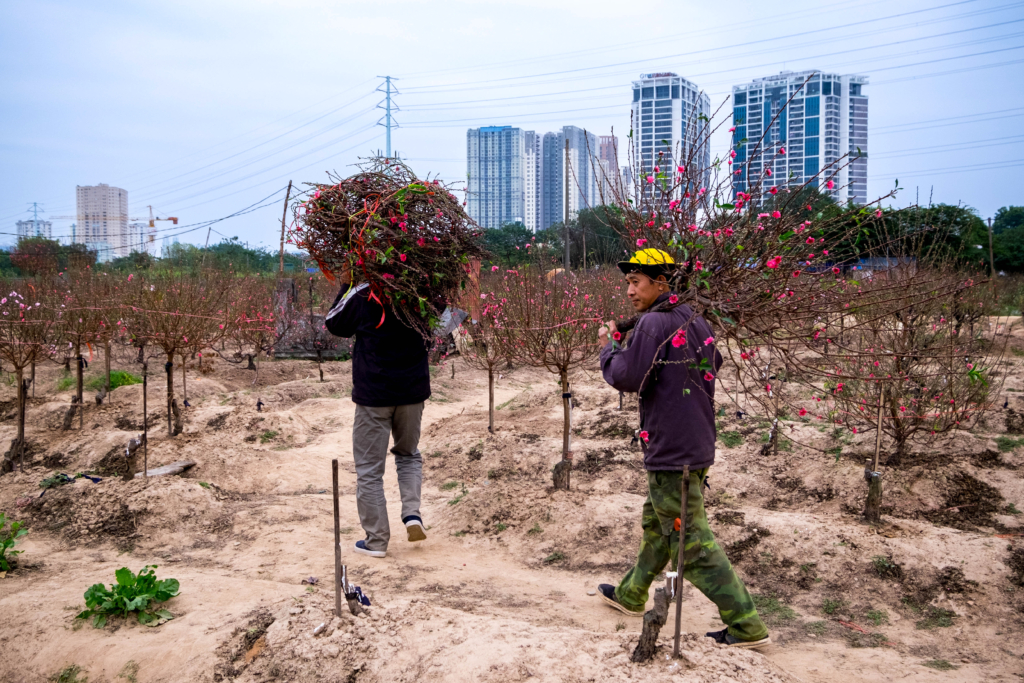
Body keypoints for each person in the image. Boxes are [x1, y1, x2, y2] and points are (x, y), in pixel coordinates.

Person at [595, 248, 770, 650]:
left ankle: (746, 624)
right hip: (695, 441)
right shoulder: (692, 318)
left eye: (635, 282)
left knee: (689, 541)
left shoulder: (655, 323)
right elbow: (716, 361)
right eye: (627, 282)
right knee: (658, 525)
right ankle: (631, 594)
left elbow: (628, 377)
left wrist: (608, 347)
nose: (629, 290)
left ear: (661, 283)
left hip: (672, 449)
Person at [325, 268, 429, 558]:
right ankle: (412, 515)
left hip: (375, 396)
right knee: (408, 455)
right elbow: (444, 326)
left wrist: (346, 284)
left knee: (370, 470)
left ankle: (377, 541)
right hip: (413, 393)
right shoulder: (424, 291)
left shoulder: (363, 293)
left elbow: (334, 323)